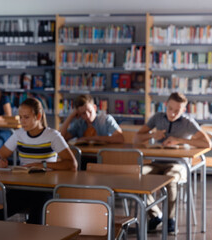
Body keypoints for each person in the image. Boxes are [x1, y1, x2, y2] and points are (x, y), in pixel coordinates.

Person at [134, 92, 211, 234]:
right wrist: (152, 135)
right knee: (136, 175)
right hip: (156, 162)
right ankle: (156, 215)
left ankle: (170, 219)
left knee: (170, 178)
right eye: (170, 109)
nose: (173, 113)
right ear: (165, 105)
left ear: (183, 110)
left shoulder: (188, 122)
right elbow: (136, 139)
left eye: (177, 111)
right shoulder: (157, 118)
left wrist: (180, 140)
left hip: (179, 164)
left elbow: (207, 143)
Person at [0, 97, 77, 224]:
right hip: (23, 188)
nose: (22, 121)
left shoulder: (53, 135)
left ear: (38, 116)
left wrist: (42, 164)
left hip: (45, 190)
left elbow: (72, 164)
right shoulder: (18, 134)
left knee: (36, 218)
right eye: (20, 117)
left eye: (26, 117)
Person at [59, 94, 124, 169]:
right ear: (79, 114)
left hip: (103, 159)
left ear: (95, 108)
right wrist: (70, 116)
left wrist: (91, 138)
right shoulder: (79, 123)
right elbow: (61, 138)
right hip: (83, 159)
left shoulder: (106, 119)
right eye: (83, 113)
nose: (87, 115)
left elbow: (120, 138)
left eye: (89, 111)